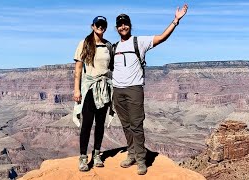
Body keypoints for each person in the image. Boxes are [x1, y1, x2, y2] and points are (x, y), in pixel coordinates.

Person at [112, 4, 188, 175]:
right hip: (117, 90)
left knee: (136, 125)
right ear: (117, 28)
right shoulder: (114, 47)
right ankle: (131, 154)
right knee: (125, 125)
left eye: (126, 24)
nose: (123, 27)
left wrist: (175, 21)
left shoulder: (140, 42)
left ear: (130, 26)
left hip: (134, 89)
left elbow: (162, 37)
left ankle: (140, 160)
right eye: (120, 24)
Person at [73, 16, 113, 172]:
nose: (100, 27)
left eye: (103, 25)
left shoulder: (108, 46)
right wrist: (76, 90)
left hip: (104, 88)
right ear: (92, 26)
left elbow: (111, 68)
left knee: (100, 123)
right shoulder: (84, 43)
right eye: (98, 24)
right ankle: (83, 157)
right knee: (87, 123)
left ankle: (97, 154)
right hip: (89, 88)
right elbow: (78, 68)